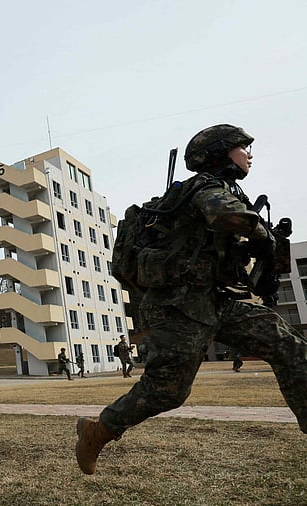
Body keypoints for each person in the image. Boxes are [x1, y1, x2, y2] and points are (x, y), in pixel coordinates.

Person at [76, 124, 307, 475]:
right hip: (179, 305)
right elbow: (223, 213)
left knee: (289, 346)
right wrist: (262, 235)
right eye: (243, 147)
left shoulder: (230, 191)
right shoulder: (204, 187)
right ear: (220, 153)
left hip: (220, 300)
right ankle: (98, 431)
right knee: (167, 391)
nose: (250, 154)